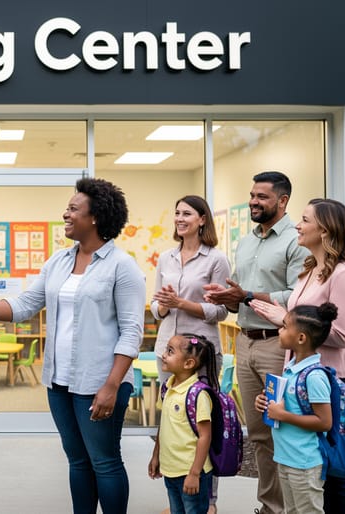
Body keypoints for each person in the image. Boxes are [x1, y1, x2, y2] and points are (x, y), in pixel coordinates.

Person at [0, 177, 144, 514]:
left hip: (99, 383)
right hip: (59, 382)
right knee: (77, 461)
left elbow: (132, 332)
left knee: (104, 461)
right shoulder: (58, 262)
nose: (65, 214)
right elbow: (22, 307)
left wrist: (111, 384)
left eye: (73, 209)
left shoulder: (123, 267)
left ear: (95, 217)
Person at [250, 199, 345, 514]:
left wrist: (284, 319)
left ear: (325, 230)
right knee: (306, 467)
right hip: (298, 376)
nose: (297, 226)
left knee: (330, 473)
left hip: (333, 381)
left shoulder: (344, 273)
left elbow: (342, 335)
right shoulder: (309, 270)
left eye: (304, 220)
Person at [204, 171, 309, 514]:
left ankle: (292, 508)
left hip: (278, 346)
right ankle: (270, 507)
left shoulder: (296, 240)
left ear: (282, 201)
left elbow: (297, 296)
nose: (253, 201)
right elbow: (242, 297)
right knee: (260, 435)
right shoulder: (246, 241)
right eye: (252, 195)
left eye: (262, 197)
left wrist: (246, 295)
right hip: (245, 342)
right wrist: (227, 297)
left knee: (284, 431)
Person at [151, 195, 230, 514]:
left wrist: (184, 304)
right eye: (176, 213)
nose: (180, 218)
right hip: (167, 350)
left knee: (202, 425)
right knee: (172, 422)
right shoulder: (165, 258)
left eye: (187, 213)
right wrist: (164, 305)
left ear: (202, 220)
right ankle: (177, 494)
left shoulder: (216, 259)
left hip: (201, 354)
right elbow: (156, 309)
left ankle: (207, 500)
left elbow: (223, 309)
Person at [254, 303, 337, 514]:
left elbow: (324, 422)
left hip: (305, 463)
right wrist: (264, 403)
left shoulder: (314, 376)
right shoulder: (291, 370)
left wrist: (283, 415)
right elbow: (288, 405)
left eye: (284, 327)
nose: (280, 331)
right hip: (286, 458)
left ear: (300, 338)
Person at [149, 334, 219, 514]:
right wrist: (156, 456)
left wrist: (195, 474)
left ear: (188, 363)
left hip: (191, 472)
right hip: (171, 470)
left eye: (170, 351)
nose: (164, 355)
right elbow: (164, 426)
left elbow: (205, 436)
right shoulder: (167, 387)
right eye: (166, 350)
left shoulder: (198, 394)